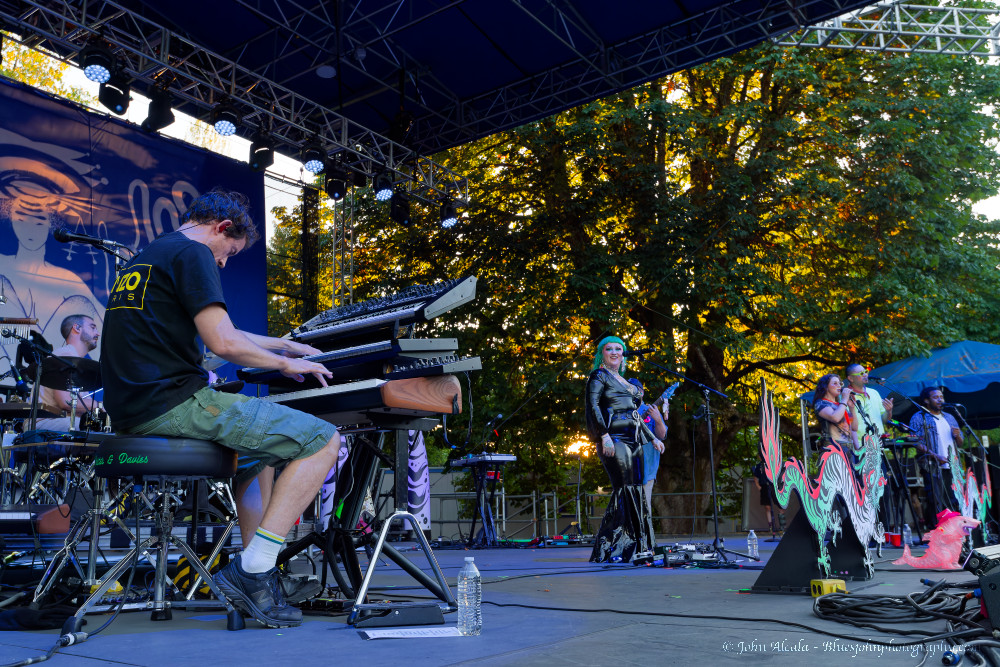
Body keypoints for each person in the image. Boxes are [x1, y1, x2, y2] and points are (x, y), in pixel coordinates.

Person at [101, 189, 342, 629]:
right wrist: (288, 364)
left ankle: (258, 579)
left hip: (137, 408)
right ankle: (253, 566)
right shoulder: (194, 254)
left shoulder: (151, 255)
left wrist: (281, 343)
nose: (224, 263)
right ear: (221, 228)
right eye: (229, 252)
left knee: (258, 457)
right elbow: (224, 342)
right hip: (175, 403)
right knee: (324, 440)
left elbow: (222, 327)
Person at [585, 336, 663, 563]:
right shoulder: (599, 376)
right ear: (602, 353)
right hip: (614, 438)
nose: (614, 352)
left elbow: (636, 415)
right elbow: (593, 406)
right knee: (624, 488)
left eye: (619, 349)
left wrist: (651, 439)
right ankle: (613, 548)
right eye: (609, 349)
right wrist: (604, 435)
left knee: (637, 490)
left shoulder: (626, 382)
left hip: (634, 439)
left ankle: (641, 545)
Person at [34, 314, 101, 434]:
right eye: (92, 327)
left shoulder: (73, 359)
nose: (98, 333)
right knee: (99, 429)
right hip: (46, 422)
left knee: (101, 426)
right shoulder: (65, 355)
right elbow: (65, 402)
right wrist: (100, 406)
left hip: (65, 421)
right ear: (77, 328)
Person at [909, 386, 962, 527]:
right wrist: (936, 456)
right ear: (926, 400)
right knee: (935, 499)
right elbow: (916, 442)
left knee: (953, 498)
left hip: (952, 465)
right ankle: (936, 531)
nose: (940, 400)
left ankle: (952, 530)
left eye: (941, 397)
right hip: (932, 465)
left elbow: (960, 443)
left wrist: (957, 436)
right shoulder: (919, 417)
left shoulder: (949, 417)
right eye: (936, 397)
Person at [628, 378, 667, 514]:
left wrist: (658, 420)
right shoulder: (623, 412)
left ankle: (645, 535)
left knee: (645, 506)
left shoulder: (651, 410)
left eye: (635, 389)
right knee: (628, 507)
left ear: (642, 392)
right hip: (628, 467)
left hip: (648, 467)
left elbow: (662, 435)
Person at [812, 374, 858, 456]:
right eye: (835, 383)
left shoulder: (840, 405)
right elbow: (835, 418)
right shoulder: (820, 403)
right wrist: (844, 399)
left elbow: (854, 427)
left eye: (840, 383)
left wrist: (852, 408)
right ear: (825, 387)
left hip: (848, 448)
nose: (839, 386)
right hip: (833, 448)